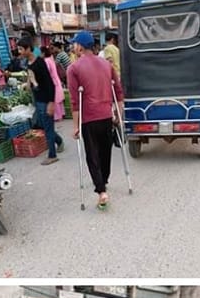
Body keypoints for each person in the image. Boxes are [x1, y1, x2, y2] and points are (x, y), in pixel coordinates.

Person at [68, 30, 124, 209]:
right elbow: (119, 92)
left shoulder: (74, 68)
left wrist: (75, 126)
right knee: (105, 152)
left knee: (93, 155)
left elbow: (75, 101)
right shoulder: (107, 65)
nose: (73, 47)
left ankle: (101, 191)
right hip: (106, 115)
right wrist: (118, 116)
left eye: (74, 44)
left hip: (89, 118)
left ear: (80, 46)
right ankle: (104, 181)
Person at [18, 36, 65, 166]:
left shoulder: (40, 62)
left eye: (21, 49)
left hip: (45, 100)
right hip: (37, 99)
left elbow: (50, 84)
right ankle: (59, 141)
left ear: (28, 49)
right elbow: (31, 75)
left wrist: (51, 102)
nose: (19, 52)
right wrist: (28, 84)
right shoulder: (28, 63)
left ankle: (52, 155)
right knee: (44, 125)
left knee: (48, 127)